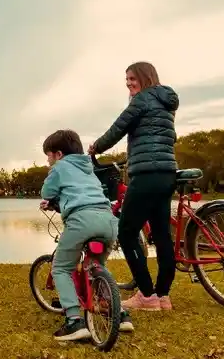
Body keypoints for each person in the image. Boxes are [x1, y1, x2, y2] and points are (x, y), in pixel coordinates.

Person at [88, 61, 179, 311]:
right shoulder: (165, 101)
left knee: (127, 234)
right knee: (161, 235)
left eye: (132, 78)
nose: (128, 83)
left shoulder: (142, 100)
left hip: (147, 175)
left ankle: (147, 296)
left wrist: (96, 147)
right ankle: (162, 296)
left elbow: (118, 128)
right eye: (126, 80)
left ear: (145, 76)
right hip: (167, 173)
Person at [40, 129, 134, 342]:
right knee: (95, 267)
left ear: (58, 154)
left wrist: (49, 199)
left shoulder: (60, 167)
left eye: (48, 156)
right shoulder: (88, 167)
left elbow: (47, 192)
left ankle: (74, 321)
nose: (48, 160)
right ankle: (120, 315)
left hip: (81, 220)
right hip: (108, 220)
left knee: (61, 268)